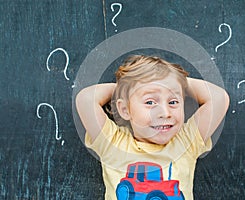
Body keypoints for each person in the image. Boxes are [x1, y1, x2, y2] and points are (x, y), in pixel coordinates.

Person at [76, 55, 230, 200]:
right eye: (150, 102)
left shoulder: (186, 142)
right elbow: (86, 99)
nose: (164, 112)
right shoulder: (113, 143)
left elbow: (218, 98)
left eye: (173, 102)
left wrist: (178, 83)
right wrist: (125, 87)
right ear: (125, 110)